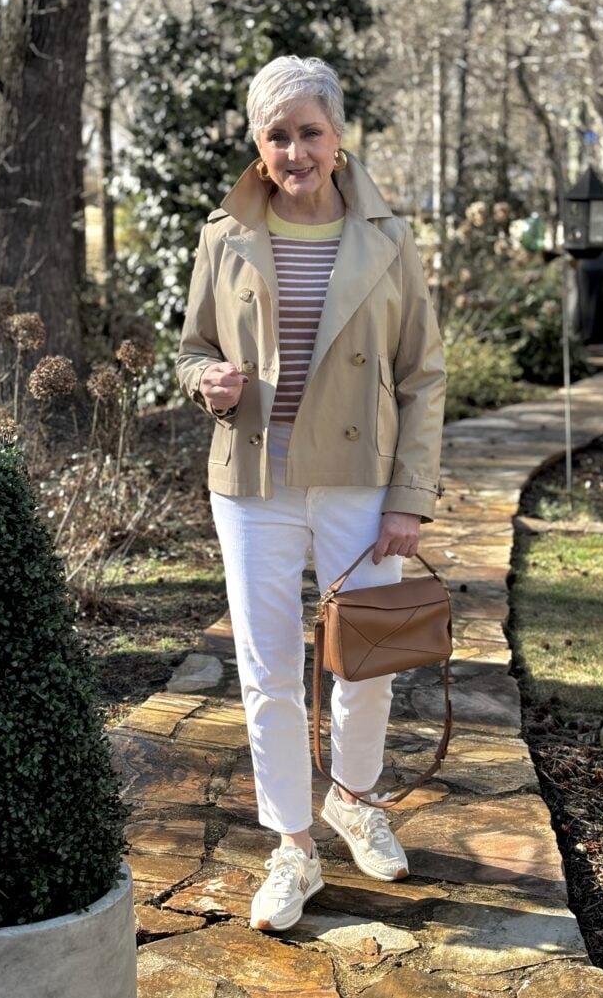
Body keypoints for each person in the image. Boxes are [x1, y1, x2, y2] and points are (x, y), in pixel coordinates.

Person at [176, 55, 446, 933]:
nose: (295, 151)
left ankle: (353, 799)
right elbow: (191, 348)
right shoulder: (224, 233)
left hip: (359, 482)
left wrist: (408, 497)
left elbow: (422, 374)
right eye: (277, 135)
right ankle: (293, 843)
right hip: (253, 480)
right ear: (258, 144)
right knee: (267, 671)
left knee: (365, 660)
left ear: (336, 136)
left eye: (309, 132)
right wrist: (206, 381)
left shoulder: (387, 236)